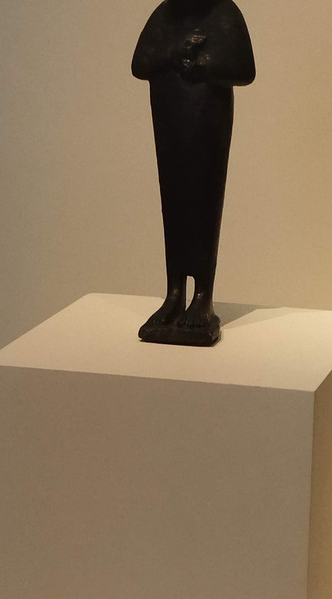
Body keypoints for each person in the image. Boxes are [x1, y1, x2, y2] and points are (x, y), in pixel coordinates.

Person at [132, 0, 256, 346]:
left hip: (207, 121)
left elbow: (243, 69)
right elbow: (140, 64)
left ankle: (203, 295)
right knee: (173, 201)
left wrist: (201, 64)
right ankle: (174, 293)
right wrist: (175, 54)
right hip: (169, 116)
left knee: (203, 200)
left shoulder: (224, 13)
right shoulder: (164, 14)